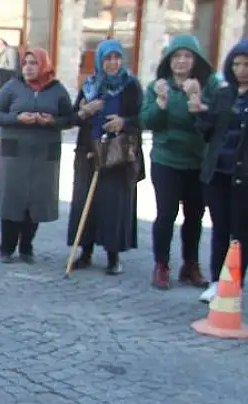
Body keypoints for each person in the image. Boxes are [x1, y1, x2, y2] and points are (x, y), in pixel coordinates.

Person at [140, 35, 216, 291]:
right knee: (165, 214)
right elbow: (147, 121)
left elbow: (215, 123)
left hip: (197, 160)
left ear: (196, 60)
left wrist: (199, 105)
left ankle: (190, 265)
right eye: (177, 57)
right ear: (169, 61)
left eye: (187, 56)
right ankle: (161, 264)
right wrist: (160, 104)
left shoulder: (208, 87)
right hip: (166, 159)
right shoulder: (157, 86)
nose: (182, 61)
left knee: (195, 215)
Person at [67, 39, 144, 275]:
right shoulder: (90, 85)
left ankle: (113, 256)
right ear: (100, 61)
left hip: (117, 153)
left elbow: (142, 118)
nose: (113, 63)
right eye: (108, 58)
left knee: (113, 203)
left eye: (116, 58)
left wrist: (124, 122)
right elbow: (73, 118)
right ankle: (85, 251)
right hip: (88, 151)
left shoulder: (131, 86)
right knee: (86, 202)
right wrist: (85, 111)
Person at [0, 48, 73, 263]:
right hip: (14, 153)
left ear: (44, 65)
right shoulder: (12, 87)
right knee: (12, 198)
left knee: (36, 201)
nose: (28, 67)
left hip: (44, 153)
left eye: (34, 63)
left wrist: (51, 121)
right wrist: (17, 118)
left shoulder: (57, 90)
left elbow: (69, 119)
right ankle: (7, 247)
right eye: (25, 63)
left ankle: (27, 247)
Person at [194, 39, 248, 300]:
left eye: (246, 64)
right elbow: (209, 130)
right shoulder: (224, 94)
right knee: (220, 228)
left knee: (240, 233)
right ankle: (216, 280)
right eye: (236, 64)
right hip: (217, 171)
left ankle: (234, 283)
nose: (241, 70)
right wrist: (199, 114)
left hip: (243, 175)